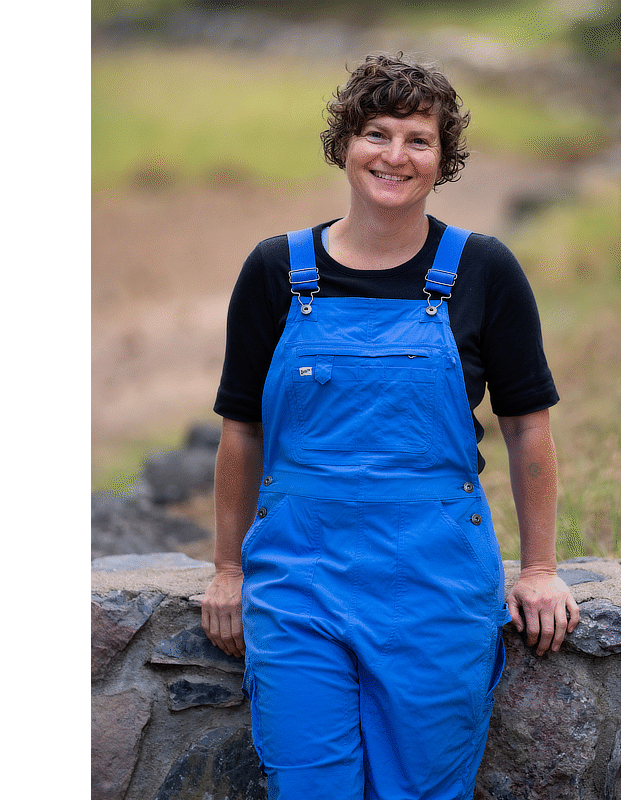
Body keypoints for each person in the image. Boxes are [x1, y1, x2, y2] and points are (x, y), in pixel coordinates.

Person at [202, 52, 580, 800]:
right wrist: (227, 569)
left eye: (419, 139)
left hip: (436, 587)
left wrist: (539, 569)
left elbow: (527, 429)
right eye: (378, 134)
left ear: (444, 160)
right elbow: (240, 431)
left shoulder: (483, 269)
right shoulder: (277, 270)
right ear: (345, 144)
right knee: (310, 786)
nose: (395, 156)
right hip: (298, 583)